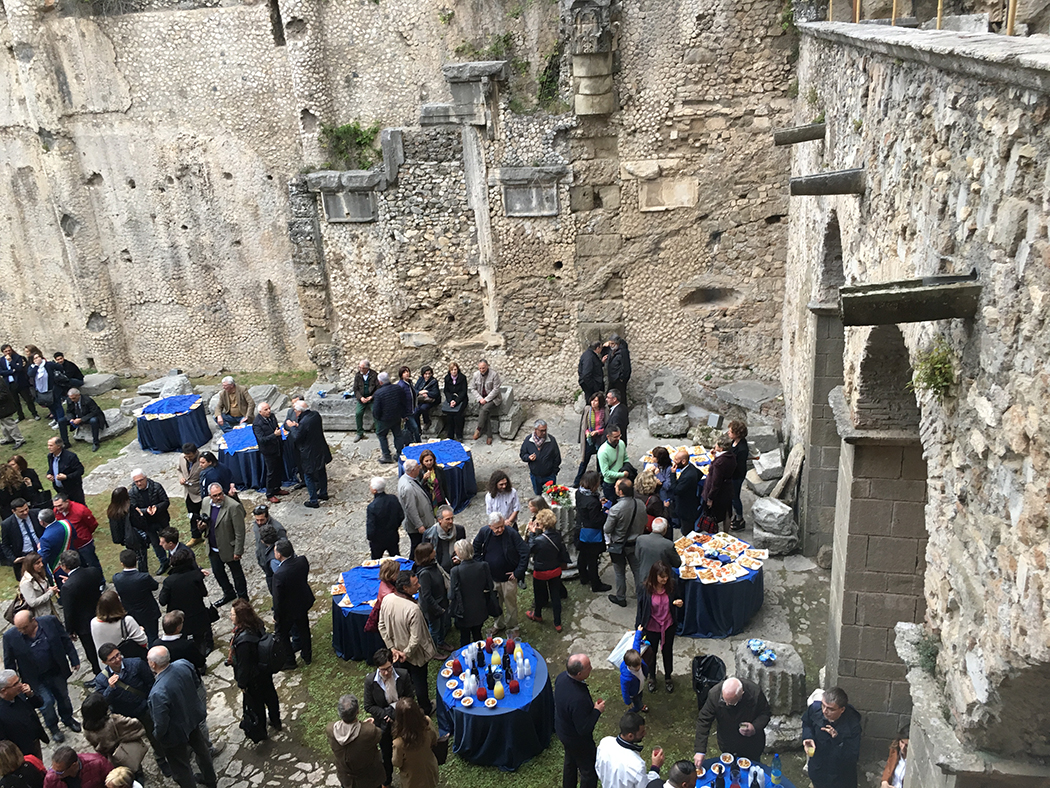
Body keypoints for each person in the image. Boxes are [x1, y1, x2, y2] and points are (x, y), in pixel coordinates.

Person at [2, 611, 82, 743]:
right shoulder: (9, 637)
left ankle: (68, 718)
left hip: (56, 670)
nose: (21, 631)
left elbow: (64, 639)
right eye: (18, 628)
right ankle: (53, 727)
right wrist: (14, 685)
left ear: (33, 620)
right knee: (46, 704)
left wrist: (74, 658)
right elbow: (9, 662)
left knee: (63, 696)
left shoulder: (50, 621)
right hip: (34, 678)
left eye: (24, 627)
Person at [145, 646, 216, 788]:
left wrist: (157, 736)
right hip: (192, 718)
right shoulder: (183, 664)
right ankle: (210, 779)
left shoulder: (157, 692)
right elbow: (197, 683)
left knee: (181, 767)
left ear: (153, 664)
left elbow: (161, 722)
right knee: (201, 750)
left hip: (175, 733)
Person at [378, 571, 436, 715]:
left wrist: (392, 649)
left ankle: (406, 709)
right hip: (413, 655)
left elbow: (381, 626)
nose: (419, 586)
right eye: (415, 584)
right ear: (405, 588)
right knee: (420, 681)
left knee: (403, 681)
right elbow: (416, 638)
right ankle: (425, 708)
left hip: (397, 654)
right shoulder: (413, 609)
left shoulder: (387, 599)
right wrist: (406, 652)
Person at [228, 599, 281, 742]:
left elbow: (245, 666)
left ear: (240, 617)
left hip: (254, 678)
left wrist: (242, 684)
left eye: (233, 614)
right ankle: (276, 721)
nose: (230, 617)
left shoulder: (244, 641)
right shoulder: (257, 624)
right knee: (270, 696)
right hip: (264, 671)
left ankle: (261, 731)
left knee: (257, 705)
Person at [363, 649, 414, 787]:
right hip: (384, 724)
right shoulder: (370, 681)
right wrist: (384, 714)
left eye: (388, 668)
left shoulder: (403, 675)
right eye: (382, 670)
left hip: (402, 720)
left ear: (392, 663)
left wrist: (393, 710)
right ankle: (387, 781)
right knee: (386, 755)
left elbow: (410, 697)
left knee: (408, 749)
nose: (386, 673)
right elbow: (368, 706)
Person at [693, 676, 771, 768]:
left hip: (751, 744)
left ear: (742, 694)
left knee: (753, 770)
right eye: (724, 700)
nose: (726, 704)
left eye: (731, 703)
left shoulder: (755, 693)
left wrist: (754, 727)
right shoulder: (714, 694)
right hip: (727, 742)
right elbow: (704, 720)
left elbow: (765, 713)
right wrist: (700, 750)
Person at [473, 512, 529, 636]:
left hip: (508, 578)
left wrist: (518, 571)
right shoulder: (484, 532)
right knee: (495, 603)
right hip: (491, 577)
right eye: (497, 527)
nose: (500, 529)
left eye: (502, 526)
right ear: (490, 526)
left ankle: (513, 627)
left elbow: (524, 551)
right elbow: (475, 547)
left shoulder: (511, 533)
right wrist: (481, 564)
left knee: (510, 604)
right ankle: (499, 624)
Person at [555, 654, 604, 788]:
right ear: (579, 673)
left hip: (563, 730)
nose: (592, 668)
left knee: (570, 761)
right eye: (589, 667)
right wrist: (597, 711)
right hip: (577, 740)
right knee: (588, 771)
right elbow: (584, 728)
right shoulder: (578, 699)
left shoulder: (561, 678)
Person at [636, 562, 683, 694]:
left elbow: (679, 598)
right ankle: (652, 677)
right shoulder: (645, 589)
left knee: (667, 651)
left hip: (668, 626)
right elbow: (640, 609)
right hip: (651, 627)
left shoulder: (672, 586)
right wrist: (637, 628)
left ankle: (668, 677)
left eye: (666, 576)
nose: (665, 579)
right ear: (654, 576)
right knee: (651, 653)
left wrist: (678, 603)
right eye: (662, 577)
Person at [802, 686, 862, 788]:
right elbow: (807, 723)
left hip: (840, 776)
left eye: (831, 709)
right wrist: (808, 737)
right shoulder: (815, 708)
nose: (825, 711)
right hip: (818, 767)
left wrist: (837, 739)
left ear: (842, 709)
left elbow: (852, 756)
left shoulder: (853, 725)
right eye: (823, 706)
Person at [158, 547, 212, 656]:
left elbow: (162, 601)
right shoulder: (196, 576)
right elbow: (203, 592)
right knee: (200, 639)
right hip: (197, 614)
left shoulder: (169, 581)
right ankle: (201, 660)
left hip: (179, 618)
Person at [58, 550, 105, 673]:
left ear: (64, 566)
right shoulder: (93, 571)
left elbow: (69, 611)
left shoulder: (67, 587)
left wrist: (70, 630)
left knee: (91, 651)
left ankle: (98, 673)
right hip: (100, 613)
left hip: (84, 624)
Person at [79, 694, 147, 778]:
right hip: (126, 753)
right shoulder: (114, 721)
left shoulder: (86, 729)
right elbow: (136, 726)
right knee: (135, 769)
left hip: (110, 759)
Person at [272, 537, 314, 668]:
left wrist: (277, 616)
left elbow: (277, 598)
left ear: (279, 554)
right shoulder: (302, 561)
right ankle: (307, 655)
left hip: (288, 610)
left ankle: (290, 660)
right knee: (304, 629)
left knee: (282, 634)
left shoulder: (279, 574)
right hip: (302, 602)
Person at [202, 484, 247, 604]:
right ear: (209, 496)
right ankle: (229, 593)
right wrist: (201, 526)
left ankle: (243, 598)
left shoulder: (233, 506)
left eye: (220, 494)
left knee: (237, 575)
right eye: (215, 495)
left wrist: (238, 551)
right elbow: (205, 520)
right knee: (218, 572)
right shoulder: (206, 502)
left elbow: (240, 531)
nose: (218, 497)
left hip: (229, 548)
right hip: (213, 547)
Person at [327, 694, 385, 788]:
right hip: (369, 779)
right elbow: (378, 735)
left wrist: (363, 726)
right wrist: (366, 726)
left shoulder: (330, 730)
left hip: (346, 779)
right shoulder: (369, 731)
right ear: (357, 711)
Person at [604, 479, 646, 608]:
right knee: (637, 570)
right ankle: (642, 597)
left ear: (620, 492)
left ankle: (621, 597)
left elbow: (607, 529)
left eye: (616, 486)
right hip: (636, 543)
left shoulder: (616, 509)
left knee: (619, 572)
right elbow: (644, 521)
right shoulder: (640, 504)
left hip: (619, 545)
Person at [526, 508, 569, 632]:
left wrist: (532, 533)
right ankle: (557, 623)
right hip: (555, 570)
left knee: (538, 594)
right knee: (555, 596)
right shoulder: (557, 535)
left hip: (541, 571)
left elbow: (530, 549)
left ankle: (537, 615)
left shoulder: (539, 540)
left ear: (542, 524)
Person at [595, 712, 662, 788]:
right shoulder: (637, 765)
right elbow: (645, 786)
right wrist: (655, 768)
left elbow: (598, 768)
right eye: (642, 732)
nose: (645, 734)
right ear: (630, 736)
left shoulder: (605, 742)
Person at [447, 539, 492, 646]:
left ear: (459, 554)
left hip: (464, 612)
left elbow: (451, 595)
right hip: (480, 607)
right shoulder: (483, 566)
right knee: (478, 635)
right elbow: (490, 586)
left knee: (465, 638)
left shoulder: (455, 571)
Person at [111, 551, 161, 645]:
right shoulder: (144, 577)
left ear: (122, 563)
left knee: (135, 638)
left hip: (131, 613)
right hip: (148, 612)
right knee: (153, 637)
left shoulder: (117, 578)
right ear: (136, 561)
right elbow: (155, 586)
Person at [0, 669, 49, 760]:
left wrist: (31, 694)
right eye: (15, 684)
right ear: (4, 691)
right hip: (22, 753)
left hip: (35, 740)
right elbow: (3, 741)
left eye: (18, 681)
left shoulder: (21, 693)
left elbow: (39, 704)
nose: (20, 685)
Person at [574, 471, 610, 593]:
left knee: (582, 556)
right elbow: (596, 521)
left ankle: (583, 577)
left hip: (580, 529)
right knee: (592, 560)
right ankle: (596, 584)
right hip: (591, 534)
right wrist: (605, 512)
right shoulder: (593, 503)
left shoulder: (579, 493)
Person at [128, 470, 170, 575]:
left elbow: (165, 501)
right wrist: (145, 511)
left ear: (145, 478)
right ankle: (164, 562)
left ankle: (174, 560)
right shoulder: (132, 492)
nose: (138, 483)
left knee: (168, 540)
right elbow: (134, 508)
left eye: (140, 480)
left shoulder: (156, 487)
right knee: (156, 544)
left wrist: (157, 507)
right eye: (136, 481)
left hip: (161, 520)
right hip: (147, 523)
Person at [390, 698, 438, 788]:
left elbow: (397, 762)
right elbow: (434, 740)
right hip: (429, 769)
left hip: (412, 780)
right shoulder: (427, 723)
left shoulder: (398, 743)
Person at [292, 400, 331, 508]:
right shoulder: (315, 415)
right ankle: (323, 493)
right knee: (321, 471)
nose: (294, 411)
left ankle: (313, 500)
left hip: (309, 453)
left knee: (308, 475)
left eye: (295, 409)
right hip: (320, 448)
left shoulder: (304, 422)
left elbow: (297, 437)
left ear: (299, 411)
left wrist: (293, 427)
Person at [413, 542, 450, 651]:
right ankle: (433, 650)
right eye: (432, 551)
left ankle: (441, 642)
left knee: (441, 625)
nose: (434, 551)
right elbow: (426, 595)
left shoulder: (433, 564)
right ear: (427, 555)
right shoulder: (424, 574)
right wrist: (438, 609)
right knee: (434, 629)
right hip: (432, 607)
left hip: (441, 601)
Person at [52, 494, 102, 574]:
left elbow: (93, 524)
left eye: (60, 505)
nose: (58, 508)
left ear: (67, 502)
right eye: (55, 506)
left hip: (84, 544)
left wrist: (84, 535)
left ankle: (101, 582)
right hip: (71, 546)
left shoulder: (80, 510)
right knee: (78, 567)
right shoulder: (56, 512)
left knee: (93, 563)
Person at [90, 592, 148, 661]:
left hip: (107, 664)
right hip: (126, 662)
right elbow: (143, 642)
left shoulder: (93, 622)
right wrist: (140, 630)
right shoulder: (127, 621)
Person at [252, 402, 289, 504]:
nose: (269, 411)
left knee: (279, 469)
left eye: (269, 408)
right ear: (260, 412)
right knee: (271, 472)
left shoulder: (272, 416)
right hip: (268, 451)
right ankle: (270, 494)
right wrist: (274, 435)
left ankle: (277, 488)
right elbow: (261, 439)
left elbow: (276, 427)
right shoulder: (257, 424)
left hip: (277, 447)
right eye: (266, 410)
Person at [28, 355, 67, 444]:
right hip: (42, 391)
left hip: (52, 389)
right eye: (35, 358)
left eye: (38, 357)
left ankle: (60, 421)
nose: (37, 359)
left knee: (57, 405)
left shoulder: (48, 364)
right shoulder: (32, 367)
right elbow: (31, 374)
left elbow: (59, 367)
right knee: (50, 405)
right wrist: (37, 365)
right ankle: (56, 419)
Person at [634, 519, 680, 593]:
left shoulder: (640, 539)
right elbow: (677, 563)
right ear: (665, 529)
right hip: (661, 580)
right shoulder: (668, 544)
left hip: (644, 576)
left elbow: (637, 556)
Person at [2, 499, 43, 580]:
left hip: (41, 550)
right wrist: (13, 559)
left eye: (26, 509)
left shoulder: (36, 513)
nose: (25, 513)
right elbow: (5, 544)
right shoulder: (7, 524)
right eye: (21, 511)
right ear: (13, 511)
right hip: (25, 556)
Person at [702, 436, 737, 530]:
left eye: (716, 445)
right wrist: (716, 457)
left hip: (718, 492)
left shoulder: (719, 463)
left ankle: (713, 533)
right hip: (728, 488)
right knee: (727, 511)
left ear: (721, 448)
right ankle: (726, 532)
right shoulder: (732, 456)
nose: (714, 446)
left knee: (713, 514)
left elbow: (716, 482)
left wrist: (710, 497)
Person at [397, 460, 431, 557]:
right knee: (417, 547)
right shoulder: (408, 488)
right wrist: (419, 525)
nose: (419, 468)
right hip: (416, 525)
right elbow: (410, 508)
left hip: (418, 521)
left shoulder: (404, 478)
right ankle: (413, 567)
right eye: (417, 467)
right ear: (412, 470)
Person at [372, 372, 407, 464]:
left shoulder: (378, 393)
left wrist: (377, 418)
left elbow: (376, 409)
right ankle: (400, 454)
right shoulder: (398, 388)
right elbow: (403, 402)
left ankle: (387, 455)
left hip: (384, 419)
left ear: (380, 382)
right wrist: (403, 414)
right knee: (398, 435)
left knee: (381, 435)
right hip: (396, 417)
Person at [574, 391, 607, 487]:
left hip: (600, 439)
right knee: (584, 461)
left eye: (596, 401)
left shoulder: (604, 411)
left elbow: (606, 426)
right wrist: (587, 432)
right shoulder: (588, 409)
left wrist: (598, 432)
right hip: (590, 439)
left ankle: (599, 482)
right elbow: (584, 425)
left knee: (600, 461)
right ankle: (577, 482)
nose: (593, 402)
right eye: (593, 400)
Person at [520, 420, 562, 495]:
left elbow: (557, 458)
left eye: (545, 430)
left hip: (549, 476)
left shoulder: (551, 440)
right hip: (535, 476)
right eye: (542, 430)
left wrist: (554, 472)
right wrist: (529, 457)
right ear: (535, 430)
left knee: (551, 496)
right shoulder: (528, 440)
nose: (544, 433)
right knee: (538, 497)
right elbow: (522, 455)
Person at [251, 506, 287, 593]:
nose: (259, 522)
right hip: (264, 561)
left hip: (275, 563)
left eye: (262, 520)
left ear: (267, 517)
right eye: (257, 520)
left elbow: (284, 547)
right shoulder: (256, 525)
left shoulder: (277, 528)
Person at [365, 477, 403, 559]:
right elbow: (401, 515)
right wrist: (395, 526)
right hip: (392, 535)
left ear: (374, 490)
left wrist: (370, 538)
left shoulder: (372, 507)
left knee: (376, 561)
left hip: (378, 540)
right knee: (396, 558)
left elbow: (371, 526)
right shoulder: (393, 498)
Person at [0, 345, 39, 423]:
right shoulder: (1, 361)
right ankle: (20, 416)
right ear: (3, 352)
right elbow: (1, 372)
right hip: (9, 384)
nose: (8, 352)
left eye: (9, 350)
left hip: (20, 382)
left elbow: (19, 368)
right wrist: (11, 371)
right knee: (15, 401)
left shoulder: (17, 357)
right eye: (6, 351)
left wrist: (11, 362)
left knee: (28, 399)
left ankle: (34, 414)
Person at [176, 444, 204, 546]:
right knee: (192, 515)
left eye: (190, 456)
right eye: (186, 456)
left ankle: (208, 536)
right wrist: (181, 478)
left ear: (196, 452)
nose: (188, 458)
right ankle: (196, 536)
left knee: (206, 516)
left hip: (200, 493)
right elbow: (179, 470)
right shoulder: (182, 457)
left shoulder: (203, 459)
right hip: (188, 493)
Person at [668, 450, 701, 537]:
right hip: (690, 502)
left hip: (686, 508)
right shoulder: (690, 467)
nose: (674, 462)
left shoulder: (688, 476)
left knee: (687, 531)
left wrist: (673, 474)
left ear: (683, 461)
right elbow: (700, 474)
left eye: (676, 460)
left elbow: (676, 490)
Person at [43, 746, 112, 788]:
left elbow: (113, 782)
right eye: (52, 769)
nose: (55, 774)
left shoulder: (98, 763)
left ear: (74, 765)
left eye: (60, 772)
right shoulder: (50, 778)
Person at [422, 505, 464, 573]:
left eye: (452, 518)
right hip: (438, 570)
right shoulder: (429, 534)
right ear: (440, 520)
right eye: (447, 519)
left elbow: (463, 549)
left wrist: (458, 557)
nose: (451, 521)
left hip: (456, 568)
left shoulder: (459, 530)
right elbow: (426, 555)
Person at [35, 510, 73, 582]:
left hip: (58, 566)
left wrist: (39, 549)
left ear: (42, 522)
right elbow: (74, 536)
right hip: (73, 557)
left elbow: (44, 557)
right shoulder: (66, 523)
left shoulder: (45, 538)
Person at [470, 359, 501, 445]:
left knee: (484, 410)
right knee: (485, 414)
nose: (482, 370)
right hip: (481, 399)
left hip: (493, 399)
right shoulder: (476, 375)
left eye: (483, 368)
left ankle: (478, 429)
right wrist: (480, 398)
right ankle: (489, 436)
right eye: (480, 368)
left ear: (487, 366)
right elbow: (472, 388)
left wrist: (486, 399)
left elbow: (496, 389)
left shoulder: (494, 374)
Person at [17, 553, 58, 619]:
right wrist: (50, 593)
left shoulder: (39, 574)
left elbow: (42, 589)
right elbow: (32, 602)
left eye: (41, 561)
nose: (41, 565)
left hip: (48, 609)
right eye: (37, 563)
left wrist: (50, 589)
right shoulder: (26, 582)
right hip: (39, 616)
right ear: (30, 565)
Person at [45, 439, 84, 505]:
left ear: (58, 446)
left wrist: (66, 477)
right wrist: (49, 474)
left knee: (79, 507)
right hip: (60, 489)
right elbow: (51, 469)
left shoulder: (70, 456)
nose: (49, 447)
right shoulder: (50, 456)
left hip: (73, 489)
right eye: (48, 445)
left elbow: (80, 470)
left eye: (51, 445)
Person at [727, 421, 749, 532]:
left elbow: (737, 465)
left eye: (730, 432)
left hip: (736, 475)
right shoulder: (734, 442)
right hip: (733, 474)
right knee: (732, 497)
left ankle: (740, 518)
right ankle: (736, 514)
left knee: (735, 497)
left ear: (737, 434)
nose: (728, 433)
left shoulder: (742, 449)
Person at [597, 426, 629, 503]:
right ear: (608, 436)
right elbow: (606, 473)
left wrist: (627, 469)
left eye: (619, 436)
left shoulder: (621, 443)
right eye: (615, 437)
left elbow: (625, 458)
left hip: (622, 481)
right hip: (610, 485)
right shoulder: (603, 452)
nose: (618, 438)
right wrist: (622, 475)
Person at [352, 359, 379, 444]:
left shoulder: (374, 375)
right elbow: (355, 389)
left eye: (362, 368)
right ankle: (360, 432)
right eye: (359, 367)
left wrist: (372, 396)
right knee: (358, 413)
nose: (360, 369)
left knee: (375, 411)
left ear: (367, 368)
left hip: (372, 398)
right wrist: (360, 398)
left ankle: (378, 431)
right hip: (362, 398)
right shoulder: (358, 376)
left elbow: (378, 388)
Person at [619, 634, 648, 714]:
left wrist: (639, 632)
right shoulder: (625, 678)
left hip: (639, 688)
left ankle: (640, 705)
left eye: (639, 664)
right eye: (636, 667)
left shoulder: (636, 657)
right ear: (629, 666)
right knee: (637, 703)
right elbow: (624, 691)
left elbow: (636, 644)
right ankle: (633, 711)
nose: (639, 667)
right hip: (634, 693)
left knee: (640, 697)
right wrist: (627, 702)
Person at [441, 362, 467, 441]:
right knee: (449, 415)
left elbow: (463, 391)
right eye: (452, 370)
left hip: (461, 399)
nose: (454, 371)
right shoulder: (447, 378)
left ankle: (459, 435)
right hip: (451, 399)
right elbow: (446, 391)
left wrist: (456, 401)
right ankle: (450, 435)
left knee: (458, 415)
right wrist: (450, 400)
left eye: (455, 370)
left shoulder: (462, 378)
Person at [603, 335, 631, 408]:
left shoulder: (623, 352)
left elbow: (626, 367)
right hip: (612, 378)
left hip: (618, 379)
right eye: (610, 344)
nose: (611, 346)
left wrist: (622, 378)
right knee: (610, 396)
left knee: (621, 397)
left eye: (613, 344)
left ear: (617, 344)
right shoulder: (612, 350)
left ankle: (622, 412)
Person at [0, 378, 26, 454]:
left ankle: (19, 439)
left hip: (5, 406)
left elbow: (4, 394)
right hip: (2, 408)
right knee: (3, 423)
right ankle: (9, 438)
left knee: (9, 423)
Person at [396, 367, 421, 446]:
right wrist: (403, 414)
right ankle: (419, 443)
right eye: (404, 372)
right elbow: (400, 402)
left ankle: (409, 443)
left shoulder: (409, 383)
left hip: (412, 410)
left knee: (409, 429)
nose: (407, 374)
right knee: (415, 428)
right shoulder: (401, 386)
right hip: (407, 412)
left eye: (407, 372)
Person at [880, 723, 909, 788]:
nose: (902, 747)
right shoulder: (895, 751)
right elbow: (889, 766)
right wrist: (885, 781)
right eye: (902, 742)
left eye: (907, 745)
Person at [412, 366, 441, 431]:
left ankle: (427, 422)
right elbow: (415, 389)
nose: (427, 375)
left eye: (429, 374)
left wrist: (427, 393)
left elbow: (436, 393)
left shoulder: (434, 381)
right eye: (426, 374)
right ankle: (418, 429)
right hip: (421, 399)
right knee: (416, 411)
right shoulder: (420, 380)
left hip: (430, 400)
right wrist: (420, 392)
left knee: (423, 408)